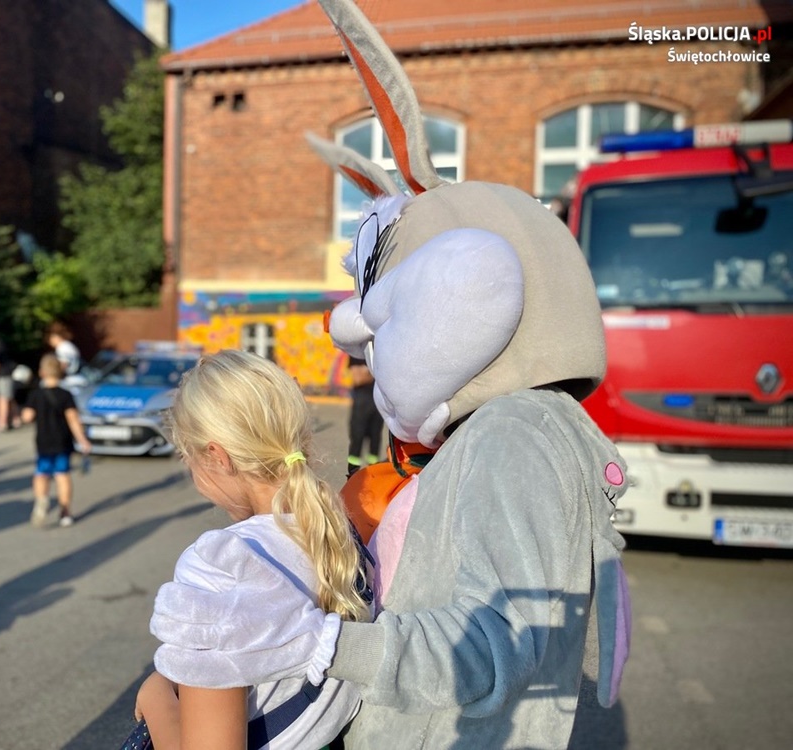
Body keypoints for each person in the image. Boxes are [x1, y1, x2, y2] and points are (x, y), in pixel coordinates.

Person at [148, 2, 632, 748]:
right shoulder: (491, 437)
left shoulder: (513, 431)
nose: (368, 343)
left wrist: (315, 646)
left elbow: (499, 644)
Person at [135, 349, 372, 750]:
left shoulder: (222, 565)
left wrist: (155, 699)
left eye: (186, 456)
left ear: (216, 457)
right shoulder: (339, 535)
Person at [20, 354, 91, 528]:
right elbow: (73, 419)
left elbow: (27, 417)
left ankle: (41, 501)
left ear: (42, 372)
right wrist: (83, 440)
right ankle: (65, 512)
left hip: (43, 441)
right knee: (62, 475)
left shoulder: (36, 394)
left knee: (41, 473)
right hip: (62, 441)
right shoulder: (66, 395)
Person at [345, 356, 384, 477]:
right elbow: (358, 379)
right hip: (361, 403)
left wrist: (367, 371)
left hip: (377, 403)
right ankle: (352, 472)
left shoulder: (378, 350)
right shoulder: (356, 353)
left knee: (375, 439)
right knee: (357, 439)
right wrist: (376, 372)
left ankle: (374, 472)